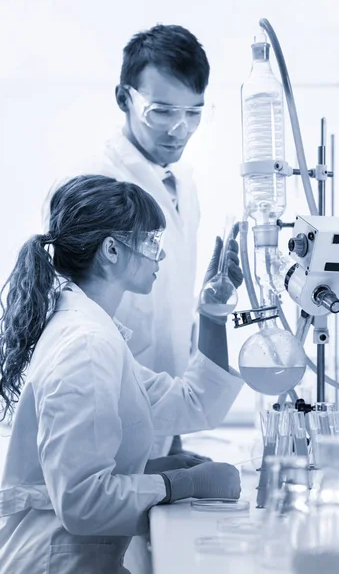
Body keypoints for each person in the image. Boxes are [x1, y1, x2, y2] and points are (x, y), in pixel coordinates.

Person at [0, 175, 244, 574]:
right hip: (50, 562)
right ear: (112, 250)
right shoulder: (86, 346)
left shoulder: (95, 334)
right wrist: (182, 485)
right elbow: (83, 502)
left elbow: (193, 404)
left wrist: (212, 312)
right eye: (152, 242)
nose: (159, 258)